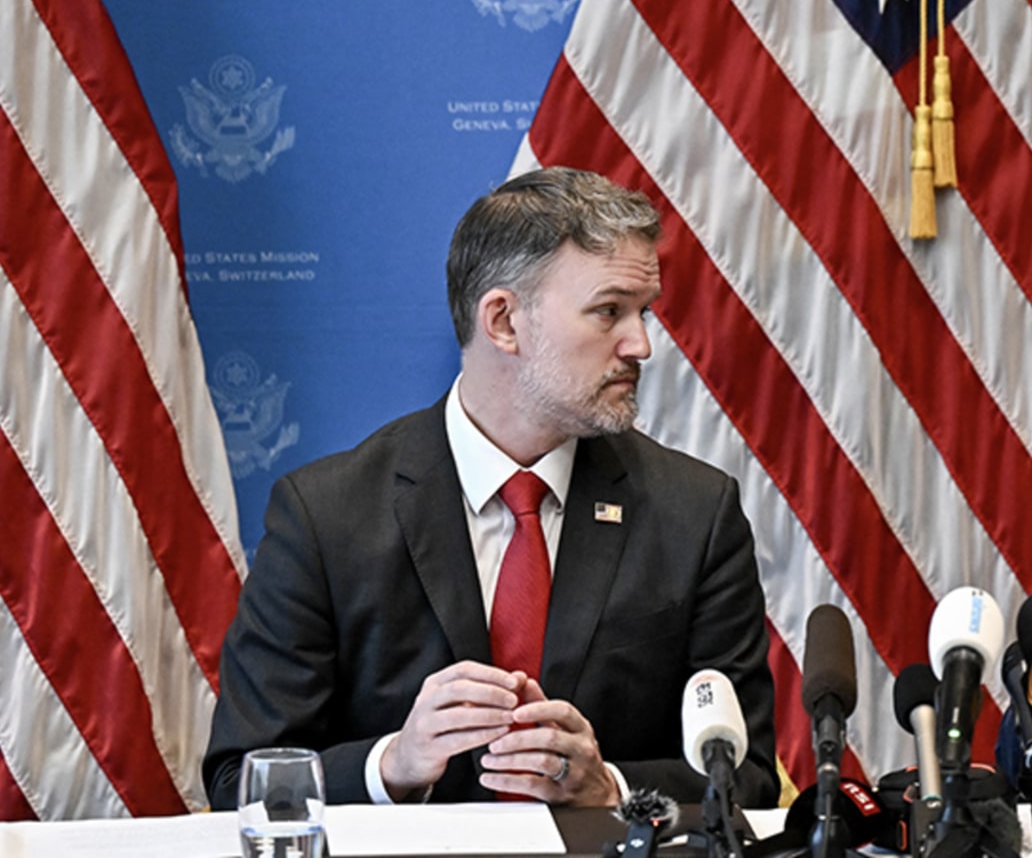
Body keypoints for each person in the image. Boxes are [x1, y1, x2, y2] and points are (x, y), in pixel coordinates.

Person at [204, 168, 779, 808]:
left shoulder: (695, 514)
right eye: (609, 311)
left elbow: (748, 779)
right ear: (503, 321)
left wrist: (609, 786)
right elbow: (240, 782)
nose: (640, 344)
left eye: (643, 312)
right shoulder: (327, 516)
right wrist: (392, 763)